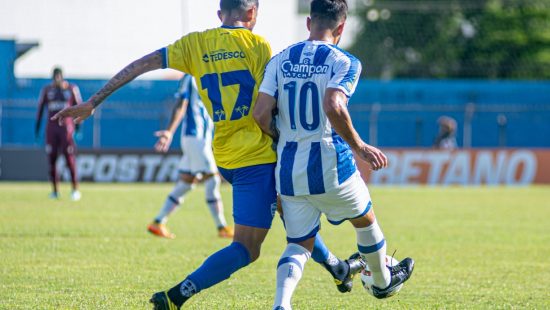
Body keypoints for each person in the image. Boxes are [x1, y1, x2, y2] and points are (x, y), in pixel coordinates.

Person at [52, 1, 363, 308]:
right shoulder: (259, 47)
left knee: (292, 215)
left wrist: (94, 101)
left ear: (220, 14)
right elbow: (267, 109)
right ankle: (176, 297)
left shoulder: (194, 44)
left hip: (225, 155)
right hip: (258, 158)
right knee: (247, 247)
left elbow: (140, 64)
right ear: (252, 13)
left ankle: (338, 268)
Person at [253, 0, 415, 308]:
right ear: (341, 27)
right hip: (330, 163)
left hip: (288, 168)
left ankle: (281, 304)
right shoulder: (344, 61)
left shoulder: (280, 59)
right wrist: (360, 147)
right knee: (365, 220)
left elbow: (260, 114)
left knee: (298, 243)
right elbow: (333, 105)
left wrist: (282, 137)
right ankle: (382, 282)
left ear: (309, 22)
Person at [148, 74, 234, 239]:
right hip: (195, 138)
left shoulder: (210, 74)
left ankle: (158, 222)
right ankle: (222, 227)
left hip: (200, 139)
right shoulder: (192, 76)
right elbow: (181, 104)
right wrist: (169, 131)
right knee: (213, 179)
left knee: (187, 182)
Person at [35, 67, 82, 201]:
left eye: (59, 76)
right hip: (51, 130)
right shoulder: (47, 90)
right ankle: (55, 191)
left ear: (62, 76)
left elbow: (79, 108)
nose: (57, 79)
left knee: (69, 160)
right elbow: (40, 110)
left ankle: (75, 190)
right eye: (55, 76)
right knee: (52, 160)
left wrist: (78, 128)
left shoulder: (71, 89)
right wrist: (37, 129)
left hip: (66, 130)